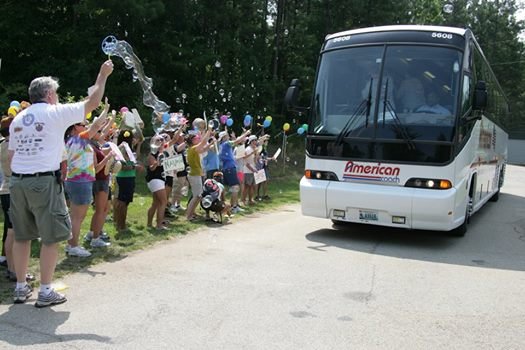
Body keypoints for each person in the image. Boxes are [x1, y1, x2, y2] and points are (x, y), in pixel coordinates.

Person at [9, 59, 113, 307]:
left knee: (22, 237)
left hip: (17, 182)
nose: (56, 96)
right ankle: (45, 291)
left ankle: (21, 288)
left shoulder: (18, 120)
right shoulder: (54, 113)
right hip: (43, 181)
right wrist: (102, 75)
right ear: (49, 94)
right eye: (55, 93)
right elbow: (93, 103)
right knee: (51, 237)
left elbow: (12, 157)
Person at [0, 116, 35, 282]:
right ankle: (15, 270)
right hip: (14, 190)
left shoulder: (2, 145)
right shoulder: (11, 147)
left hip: (6, 190)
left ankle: (11, 268)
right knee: (16, 232)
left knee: (10, 231)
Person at [185, 129, 215, 221]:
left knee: (198, 196)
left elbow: (204, 149)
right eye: (197, 138)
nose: (198, 139)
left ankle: (191, 214)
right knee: (196, 196)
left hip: (196, 174)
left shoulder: (194, 149)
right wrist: (209, 131)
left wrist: (210, 144)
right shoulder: (193, 148)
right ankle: (188, 216)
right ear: (193, 140)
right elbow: (203, 142)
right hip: (194, 175)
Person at [218, 129, 250, 213]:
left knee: (234, 187)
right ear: (224, 137)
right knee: (235, 187)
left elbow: (236, 142)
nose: (228, 137)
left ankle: (232, 205)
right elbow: (237, 141)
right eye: (227, 135)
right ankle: (234, 206)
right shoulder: (226, 144)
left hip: (228, 168)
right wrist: (246, 133)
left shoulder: (222, 145)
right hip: (229, 168)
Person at [242, 135, 259, 205]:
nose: (256, 142)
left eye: (256, 140)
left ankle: (250, 200)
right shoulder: (248, 149)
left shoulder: (254, 149)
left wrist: (256, 154)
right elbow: (245, 161)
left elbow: (255, 160)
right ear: (251, 141)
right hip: (247, 170)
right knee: (247, 186)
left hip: (252, 169)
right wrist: (252, 169)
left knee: (252, 186)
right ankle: (243, 200)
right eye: (255, 140)